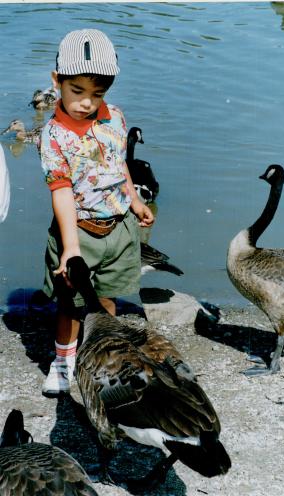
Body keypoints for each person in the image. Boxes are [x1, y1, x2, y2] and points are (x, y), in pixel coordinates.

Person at [39, 29, 154, 397]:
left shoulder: (115, 118)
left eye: (98, 94)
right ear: (57, 81)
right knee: (71, 305)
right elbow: (61, 191)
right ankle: (63, 360)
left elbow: (118, 163)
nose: (87, 103)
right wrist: (71, 247)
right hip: (80, 230)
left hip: (119, 228)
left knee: (107, 299)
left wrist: (135, 201)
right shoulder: (53, 135)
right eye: (77, 92)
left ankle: (104, 356)